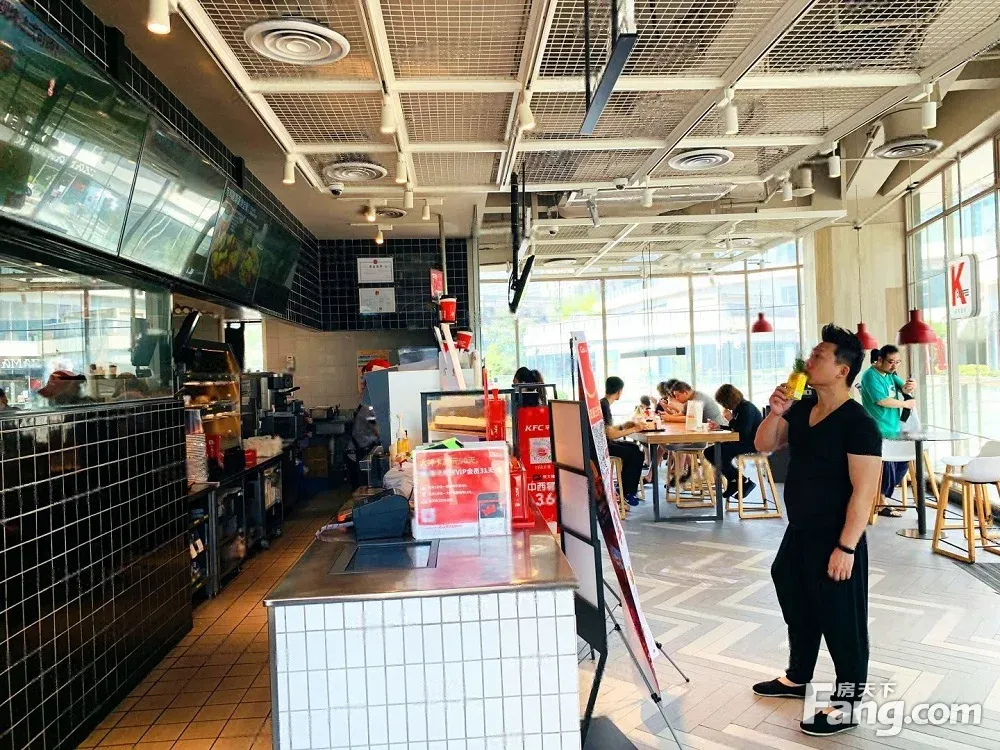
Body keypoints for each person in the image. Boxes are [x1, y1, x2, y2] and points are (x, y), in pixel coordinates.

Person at [752, 325, 882, 737]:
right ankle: (798, 676)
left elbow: (864, 492)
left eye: (819, 356)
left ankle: (847, 704)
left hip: (836, 538)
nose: (809, 360)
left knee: (843, 621)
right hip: (800, 532)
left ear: (842, 370)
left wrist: (847, 547)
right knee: (796, 599)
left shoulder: (858, 423)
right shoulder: (803, 408)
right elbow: (764, 445)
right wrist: (775, 412)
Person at [859, 345, 916, 517]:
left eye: (898, 362)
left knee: (902, 463)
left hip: (893, 428)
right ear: (880, 359)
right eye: (891, 362)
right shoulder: (870, 376)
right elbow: (882, 401)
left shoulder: (890, 374)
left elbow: (903, 389)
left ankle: (881, 497)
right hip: (878, 428)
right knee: (887, 466)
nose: (894, 366)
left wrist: (909, 386)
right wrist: (905, 404)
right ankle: (881, 501)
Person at [708, 385, 763, 499]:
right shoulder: (739, 408)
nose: (724, 406)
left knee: (719, 453)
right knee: (710, 452)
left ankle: (739, 481)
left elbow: (742, 433)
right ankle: (737, 480)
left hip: (751, 444)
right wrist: (720, 426)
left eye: (723, 403)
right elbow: (737, 429)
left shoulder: (746, 408)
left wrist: (730, 419)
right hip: (743, 441)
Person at [601, 376, 645, 507]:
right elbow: (611, 434)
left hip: (604, 443)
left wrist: (623, 426)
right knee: (636, 454)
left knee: (635, 448)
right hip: (602, 447)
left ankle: (624, 489)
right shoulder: (604, 406)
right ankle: (627, 492)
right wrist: (634, 429)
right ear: (620, 391)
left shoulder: (603, 403)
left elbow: (608, 429)